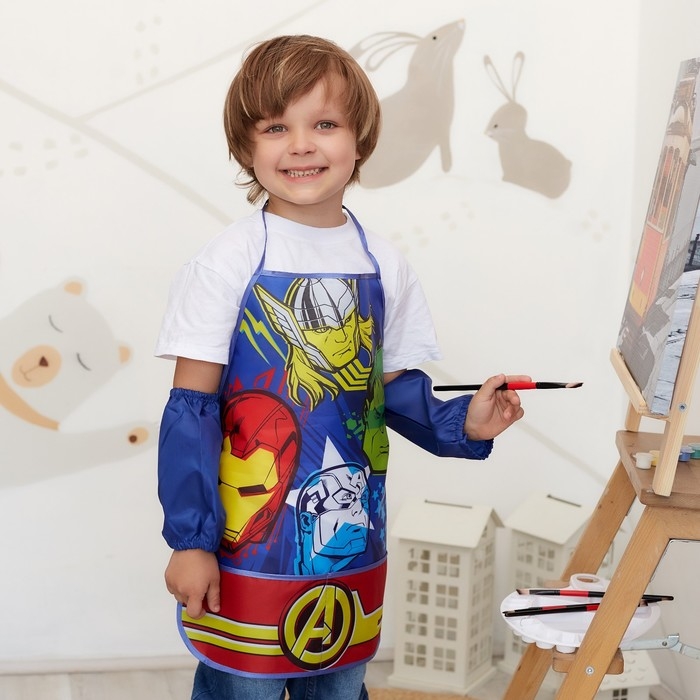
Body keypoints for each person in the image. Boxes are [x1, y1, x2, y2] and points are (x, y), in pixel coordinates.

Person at [155, 34, 527, 700]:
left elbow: (390, 393)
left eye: (324, 124)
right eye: (276, 127)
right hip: (247, 545)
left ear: (360, 140)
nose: (301, 145)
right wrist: (190, 540)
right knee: (245, 686)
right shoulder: (226, 263)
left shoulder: (384, 264)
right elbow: (192, 411)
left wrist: (463, 423)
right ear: (245, 146)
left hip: (353, 542)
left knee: (340, 682)